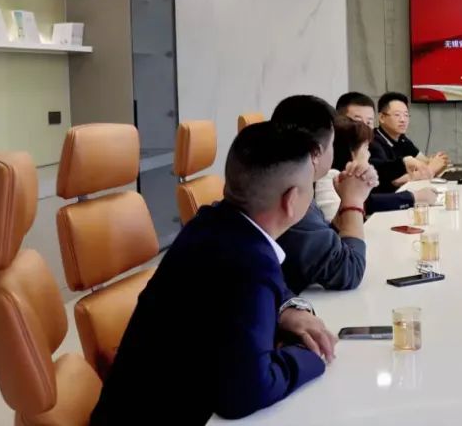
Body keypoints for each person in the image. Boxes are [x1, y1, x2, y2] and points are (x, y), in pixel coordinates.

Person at [91, 122, 338, 424]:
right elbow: (247, 394)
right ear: (291, 200)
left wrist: (288, 310)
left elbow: (260, 292)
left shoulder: (212, 222)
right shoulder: (250, 262)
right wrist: (308, 355)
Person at [271, 95, 377, 294]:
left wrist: (344, 207)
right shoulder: (292, 197)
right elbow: (348, 271)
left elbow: (323, 237)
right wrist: (353, 201)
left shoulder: (284, 179)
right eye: (333, 143)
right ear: (317, 152)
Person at [317, 114, 438, 218]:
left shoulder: (346, 175)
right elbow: (366, 204)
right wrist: (413, 197)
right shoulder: (329, 178)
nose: (369, 154)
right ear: (351, 152)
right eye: (366, 148)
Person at [370, 91, 448, 192]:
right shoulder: (373, 141)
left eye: (406, 115)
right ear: (381, 118)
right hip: (386, 197)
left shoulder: (402, 139)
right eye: (397, 115)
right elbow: (395, 180)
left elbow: (424, 161)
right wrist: (431, 169)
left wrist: (437, 161)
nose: (403, 120)